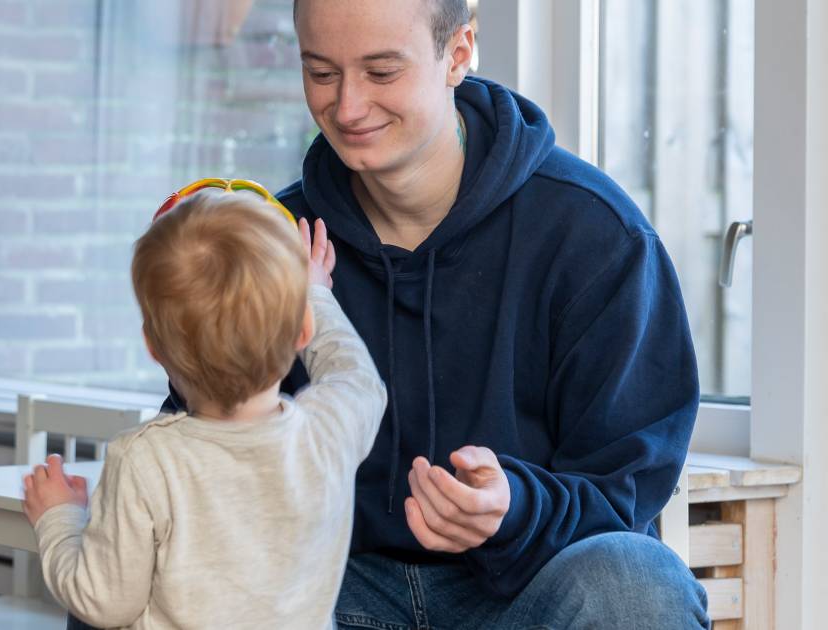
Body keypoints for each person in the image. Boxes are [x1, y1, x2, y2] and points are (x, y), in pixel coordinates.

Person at [264, 0, 707, 627]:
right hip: (327, 593)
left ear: (460, 53)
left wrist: (514, 509)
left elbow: (625, 488)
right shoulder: (273, 241)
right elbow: (199, 449)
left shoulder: (595, 234)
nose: (348, 108)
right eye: (322, 73)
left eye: (382, 72)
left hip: (522, 593)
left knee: (636, 586)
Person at [22, 185, 387, 629]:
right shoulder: (328, 432)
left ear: (153, 348)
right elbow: (355, 374)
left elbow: (104, 601)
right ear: (303, 329)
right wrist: (314, 295)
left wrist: (58, 518)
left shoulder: (146, 459)